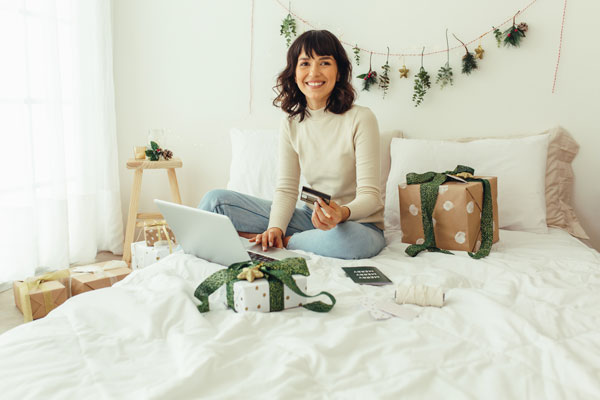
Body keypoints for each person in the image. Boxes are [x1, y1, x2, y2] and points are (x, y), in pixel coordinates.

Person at [198, 29, 385, 259]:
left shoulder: (361, 118)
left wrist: (341, 214)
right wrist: (275, 227)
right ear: (295, 74)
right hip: (310, 217)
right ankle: (183, 258)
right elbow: (287, 189)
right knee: (215, 201)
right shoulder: (291, 122)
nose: (314, 72)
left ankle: (283, 242)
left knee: (348, 241)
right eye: (305, 63)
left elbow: (370, 196)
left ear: (338, 73)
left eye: (324, 63)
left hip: (357, 224)